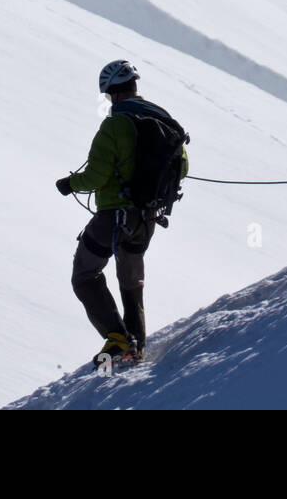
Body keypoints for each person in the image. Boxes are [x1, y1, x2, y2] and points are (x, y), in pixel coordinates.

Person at [55, 60, 188, 366]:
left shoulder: (115, 125)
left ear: (111, 94)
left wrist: (69, 184)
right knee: (131, 283)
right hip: (147, 218)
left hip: (113, 216)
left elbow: (96, 177)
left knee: (85, 274)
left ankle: (117, 337)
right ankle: (136, 348)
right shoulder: (164, 122)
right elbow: (183, 167)